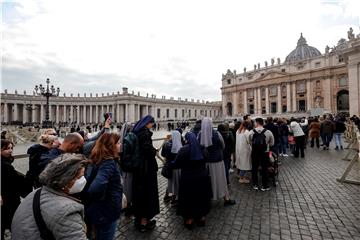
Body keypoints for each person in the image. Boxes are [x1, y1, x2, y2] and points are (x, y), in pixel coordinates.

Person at [11, 153, 89, 240]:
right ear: (65, 180)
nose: (83, 180)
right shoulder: (66, 210)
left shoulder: (37, 192)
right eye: (79, 177)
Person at [85, 133, 123, 240]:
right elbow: (95, 188)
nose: (120, 145)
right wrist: (107, 200)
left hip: (96, 210)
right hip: (107, 211)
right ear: (111, 146)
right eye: (118, 143)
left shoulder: (95, 158)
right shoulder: (108, 163)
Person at [172, 132, 212, 230]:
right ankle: (201, 218)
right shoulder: (203, 149)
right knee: (201, 197)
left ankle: (189, 220)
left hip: (188, 179)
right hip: (202, 178)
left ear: (187, 140)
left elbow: (177, 163)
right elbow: (207, 159)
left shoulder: (183, 150)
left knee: (188, 199)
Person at [131, 115, 160, 232]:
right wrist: (154, 151)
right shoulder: (145, 134)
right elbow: (147, 149)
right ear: (148, 123)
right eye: (151, 123)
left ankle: (138, 219)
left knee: (139, 192)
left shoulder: (136, 132)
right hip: (146, 169)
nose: (152, 125)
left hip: (138, 168)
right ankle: (144, 222)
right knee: (147, 193)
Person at [199, 118, 235, 206]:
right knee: (221, 180)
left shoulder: (200, 134)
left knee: (208, 181)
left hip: (206, 162)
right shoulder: (216, 133)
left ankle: (208, 198)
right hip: (217, 161)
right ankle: (226, 199)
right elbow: (223, 146)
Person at [1, 140, 32, 240]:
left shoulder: (6, 163)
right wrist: (28, 177)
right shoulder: (5, 166)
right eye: (6, 149)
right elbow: (16, 181)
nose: (10, 151)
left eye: (11, 148)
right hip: (9, 199)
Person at [248, 118, 274, 191]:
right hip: (265, 152)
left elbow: (249, 141)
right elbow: (272, 143)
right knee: (264, 168)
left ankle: (255, 184)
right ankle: (264, 185)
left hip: (255, 152)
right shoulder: (268, 132)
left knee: (254, 168)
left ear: (257, 123)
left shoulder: (251, 132)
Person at [161, 130, 183, 203]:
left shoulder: (166, 144)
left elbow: (163, 154)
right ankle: (174, 198)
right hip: (178, 167)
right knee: (177, 183)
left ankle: (166, 196)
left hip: (170, 167)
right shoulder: (181, 146)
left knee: (171, 182)